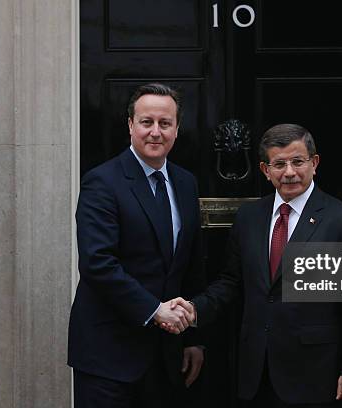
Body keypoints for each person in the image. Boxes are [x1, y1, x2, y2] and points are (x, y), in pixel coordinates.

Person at [167, 123, 342, 407]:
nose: (289, 172)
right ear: (266, 170)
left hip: (316, 372)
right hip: (257, 369)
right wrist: (194, 310)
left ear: (314, 163)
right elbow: (231, 282)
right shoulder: (249, 217)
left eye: (297, 162)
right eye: (279, 164)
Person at [68, 83, 204, 407]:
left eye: (165, 123)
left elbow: (191, 264)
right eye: (147, 122)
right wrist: (155, 310)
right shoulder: (102, 182)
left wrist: (194, 338)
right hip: (109, 356)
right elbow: (97, 263)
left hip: (167, 356)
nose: (156, 132)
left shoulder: (186, 183)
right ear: (130, 125)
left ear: (177, 128)